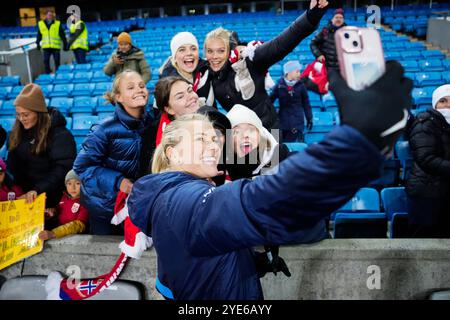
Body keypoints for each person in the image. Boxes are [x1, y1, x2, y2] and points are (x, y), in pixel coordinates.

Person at [127, 61, 413, 299]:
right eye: (202, 138)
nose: (215, 146)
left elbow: (204, 249)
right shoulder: (183, 199)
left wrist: (252, 262)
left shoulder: (172, 193)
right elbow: (259, 202)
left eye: (216, 139)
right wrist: (353, 143)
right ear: (172, 152)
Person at [204, 0, 329, 130]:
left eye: (221, 50)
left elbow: (282, 43)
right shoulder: (205, 73)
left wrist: (311, 15)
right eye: (210, 51)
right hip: (237, 136)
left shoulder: (251, 59)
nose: (214, 57)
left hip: (268, 131)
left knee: (276, 151)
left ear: (230, 50)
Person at [73, 70, 152, 235]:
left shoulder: (152, 122)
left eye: (141, 86)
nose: (139, 89)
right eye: (130, 87)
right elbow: (82, 167)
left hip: (135, 206)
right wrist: (118, 181)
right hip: (105, 207)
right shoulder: (103, 129)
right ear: (119, 97)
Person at [7, 84, 76, 208]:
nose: (21, 119)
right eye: (18, 114)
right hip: (24, 197)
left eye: (26, 114)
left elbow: (62, 168)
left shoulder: (60, 134)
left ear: (39, 113)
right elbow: (13, 167)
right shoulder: (18, 133)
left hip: (52, 197)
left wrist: (37, 190)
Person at [406, 84, 450, 238]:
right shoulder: (424, 123)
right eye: (443, 101)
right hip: (428, 193)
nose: (448, 105)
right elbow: (426, 159)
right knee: (426, 244)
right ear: (435, 104)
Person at [139, 76, 202, 177]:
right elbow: (148, 176)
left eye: (190, 90)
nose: (191, 97)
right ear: (169, 109)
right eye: (180, 96)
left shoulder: (215, 117)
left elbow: (230, 160)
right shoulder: (152, 135)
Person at [159, 32, 214, 108]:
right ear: (174, 57)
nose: (189, 53)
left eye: (193, 49)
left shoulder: (207, 69)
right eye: (182, 50)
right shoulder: (166, 83)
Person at [38, 169, 89, 241]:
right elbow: (60, 210)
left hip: (75, 240)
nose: (73, 187)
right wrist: (53, 212)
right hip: (60, 235)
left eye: (77, 183)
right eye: (69, 184)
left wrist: (54, 233)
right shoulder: (64, 197)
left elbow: (79, 225)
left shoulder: (85, 202)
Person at [270, 60, 313, 142]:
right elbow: (270, 100)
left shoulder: (301, 86)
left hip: (297, 122)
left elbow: (306, 104)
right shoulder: (279, 85)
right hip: (283, 120)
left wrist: (309, 118)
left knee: (292, 145)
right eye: (297, 71)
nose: (299, 74)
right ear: (289, 72)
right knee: (279, 143)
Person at [36, 10, 68, 74]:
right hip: (46, 47)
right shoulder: (41, 24)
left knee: (57, 61)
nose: (50, 16)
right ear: (46, 16)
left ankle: (58, 73)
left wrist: (65, 44)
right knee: (46, 60)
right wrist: (37, 43)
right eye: (48, 15)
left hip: (55, 47)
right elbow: (39, 34)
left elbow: (62, 35)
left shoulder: (57, 23)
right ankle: (47, 73)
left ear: (53, 16)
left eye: (51, 15)